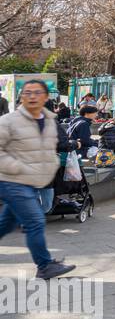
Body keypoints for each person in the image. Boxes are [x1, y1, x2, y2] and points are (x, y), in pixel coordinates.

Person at [0, 80, 76, 280]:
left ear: (45, 97)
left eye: (37, 92)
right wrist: (18, 167)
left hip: (33, 181)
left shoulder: (49, 121)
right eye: (27, 92)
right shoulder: (8, 121)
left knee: (6, 224)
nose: (32, 96)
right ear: (21, 97)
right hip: (11, 180)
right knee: (35, 221)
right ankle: (44, 266)